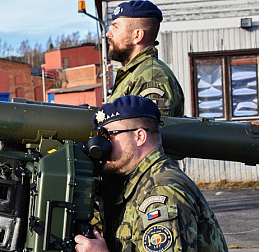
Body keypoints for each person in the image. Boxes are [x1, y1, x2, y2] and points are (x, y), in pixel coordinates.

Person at [75, 95, 228, 251]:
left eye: (110, 135)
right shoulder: (132, 183)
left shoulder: (162, 190)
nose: (102, 145)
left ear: (140, 136)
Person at [106, 0, 184, 117]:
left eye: (115, 28)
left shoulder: (151, 79)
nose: (108, 34)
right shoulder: (133, 75)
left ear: (137, 36)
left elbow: (150, 132)